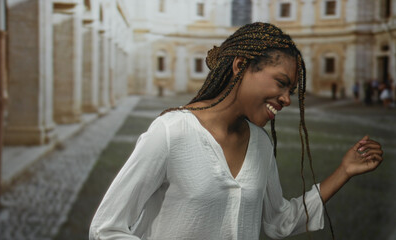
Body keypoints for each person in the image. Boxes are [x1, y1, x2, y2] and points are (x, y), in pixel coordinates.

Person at [89, 22, 383, 240]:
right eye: (281, 83)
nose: (286, 99)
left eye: (291, 90)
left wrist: (343, 171)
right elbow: (106, 228)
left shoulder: (261, 144)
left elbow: (278, 220)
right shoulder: (171, 132)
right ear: (241, 66)